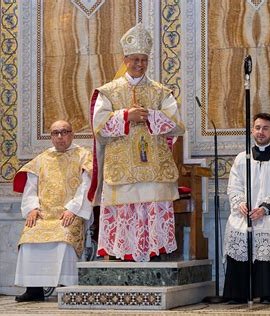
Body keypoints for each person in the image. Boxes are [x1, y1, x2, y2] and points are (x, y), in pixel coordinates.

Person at [88, 23, 185, 262]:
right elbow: (98, 126)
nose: (139, 64)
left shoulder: (161, 92)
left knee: (153, 207)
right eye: (135, 59)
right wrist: (125, 117)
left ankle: (155, 252)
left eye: (143, 59)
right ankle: (124, 253)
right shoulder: (108, 92)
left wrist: (151, 116)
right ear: (125, 59)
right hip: (123, 167)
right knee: (125, 209)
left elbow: (177, 124)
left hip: (154, 166)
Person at [12, 120, 93, 302]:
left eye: (64, 132)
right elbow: (31, 188)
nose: (60, 137)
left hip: (69, 214)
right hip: (44, 216)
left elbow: (86, 187)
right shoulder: (41, 159)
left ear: (72, 134)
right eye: (56, 133)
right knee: (28, 238)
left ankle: (68, 286)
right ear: (51, 137)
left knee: (64, 238)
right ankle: (33, 289)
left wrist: (73, 209)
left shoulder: (83, 156)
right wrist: (32, 208)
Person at [223, 113, 270, 304]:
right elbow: (234, 186)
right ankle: (237, 293)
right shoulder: (241, 158)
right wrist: (240, 204)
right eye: (258, 127)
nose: (261, 132)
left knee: (266, 232)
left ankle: (266, 293)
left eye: (265, 128)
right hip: (244, 212)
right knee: (237, 231)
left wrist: (264, 209)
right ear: (252, 130)